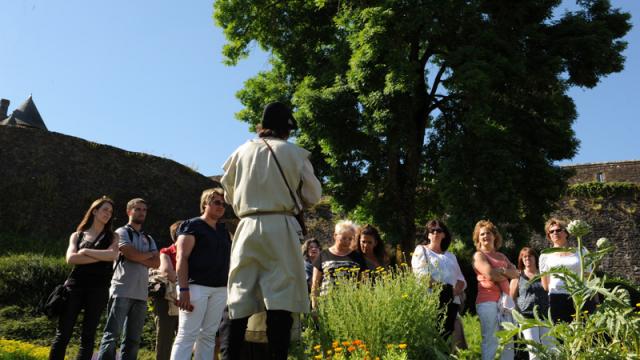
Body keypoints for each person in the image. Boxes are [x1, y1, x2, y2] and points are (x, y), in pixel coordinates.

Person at [220, 101, 322, 360]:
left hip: (246, 226)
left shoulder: (240, 152)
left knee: (239, 299)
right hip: (281, 226)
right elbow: (313, 195)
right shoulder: (295, 154)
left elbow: (228, 193)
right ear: (286, 130)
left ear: (262, 127)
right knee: (281, 300)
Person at [49, 197, 119, 360]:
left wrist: (85, 252)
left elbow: (113, 255)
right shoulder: (77, 235)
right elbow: (70, 259)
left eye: (110, 211)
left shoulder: (113, 236)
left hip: (99, 288)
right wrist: (101, 256)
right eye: (105, 210)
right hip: (75, 286)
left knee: (88, 336)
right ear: (94, 211)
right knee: (63, 334)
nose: (108, 214)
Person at [170, 188, 231, 360]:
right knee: (187, 334)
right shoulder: (192, 225)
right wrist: (183, 290)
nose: (221, 206)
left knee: (209, 336)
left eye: (223, 204)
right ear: (205, 204)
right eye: (216, 202)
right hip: (195, 287)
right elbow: (182, 258)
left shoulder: (222, 229)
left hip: (219, 288)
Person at [97, 198, 160, 360]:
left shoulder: (148, 237)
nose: (141, 212)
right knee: (112, 336)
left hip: (141, 294)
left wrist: (138, 256)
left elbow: (157, 262)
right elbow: (130, 254)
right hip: (121, 290)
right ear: (129, 211)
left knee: (133, 340)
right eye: (137, 209)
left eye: (144, 210)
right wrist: (147, 256)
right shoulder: (121, 232)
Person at [411, 219, 466, 339]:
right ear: (428, 234)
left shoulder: (451, 256)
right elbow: (422, 276)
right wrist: (444, 289)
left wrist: (453, 291)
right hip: (431, 300)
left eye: (438, 230)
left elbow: (461, 279)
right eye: (432, 230)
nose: (435, 232)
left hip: (451, 302)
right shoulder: (421, 250)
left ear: (444, 234)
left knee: (446, 340)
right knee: (432, 338)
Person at [472, 220, 518, 360]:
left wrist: (501, 270)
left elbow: (516, 273)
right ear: (478, 238)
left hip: (505, 302)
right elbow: (490, 275)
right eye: (482, 234)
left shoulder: (501, 256)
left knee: (508, 339)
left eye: (488, 233)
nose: (485, 236)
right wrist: (505, 272)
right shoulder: (479, 256)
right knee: (491, 340)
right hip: (488, 302)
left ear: (494, 236)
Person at [539, 217, 594, 324]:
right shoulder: (545, 255)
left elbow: (589, 276)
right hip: (557, 297)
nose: (555, 233)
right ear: (549, 235)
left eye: (559, 230)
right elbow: (545, 284)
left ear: (566, 233)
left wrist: (593, 298)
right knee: (562, 335)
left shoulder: (581, 251)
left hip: (581, 297)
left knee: (584, 332)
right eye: (551, 231)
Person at [311, 220, 367, 307]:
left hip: (351, 305)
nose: (347, 242)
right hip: (327, 304)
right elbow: (315, 283)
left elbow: (364, 283)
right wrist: (314, 306)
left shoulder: (357, 257)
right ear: (335, 236)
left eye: (350, 239)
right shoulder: (323, 255)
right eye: (344, 238)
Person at [509, 247, 550, 360]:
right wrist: (517, 316)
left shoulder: (543, 274)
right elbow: (512, 297)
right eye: (524, 256)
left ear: (535, 258)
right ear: (521, 259)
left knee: (549, 348)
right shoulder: (518, 276)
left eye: (530, 256)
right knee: (534, 351)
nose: (527, 258)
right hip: (527, 317)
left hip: (544, 316)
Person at [151, 221, 182, 360]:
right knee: (165, 339)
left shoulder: (194, 252)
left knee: (184, 338)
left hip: (187, 300)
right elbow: (167, 272)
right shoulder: (166, 252)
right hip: (167, 301)